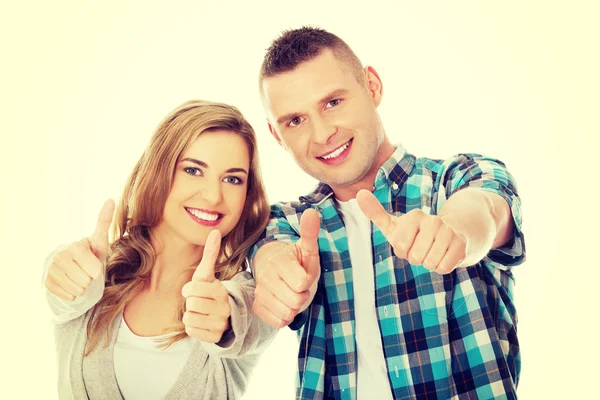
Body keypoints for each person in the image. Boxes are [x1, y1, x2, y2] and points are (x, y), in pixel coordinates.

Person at [251, 27, 525, 399]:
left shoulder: (460, 177)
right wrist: (278, 274)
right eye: (295, 121)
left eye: (333, 102)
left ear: (372, 86)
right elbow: (270, 252)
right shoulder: (284, 222)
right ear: (276, 135)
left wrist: (456, 233)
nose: (322, 133)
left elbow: (485, 210)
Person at [44, 100, 277, 399]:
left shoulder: (246, 297)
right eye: (193, 170)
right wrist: (59, 272)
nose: (213, 195)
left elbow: (248, 321)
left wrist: (227, 319)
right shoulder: (90, 274)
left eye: (233, 179)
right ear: (159, 170)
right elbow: (59, 289)